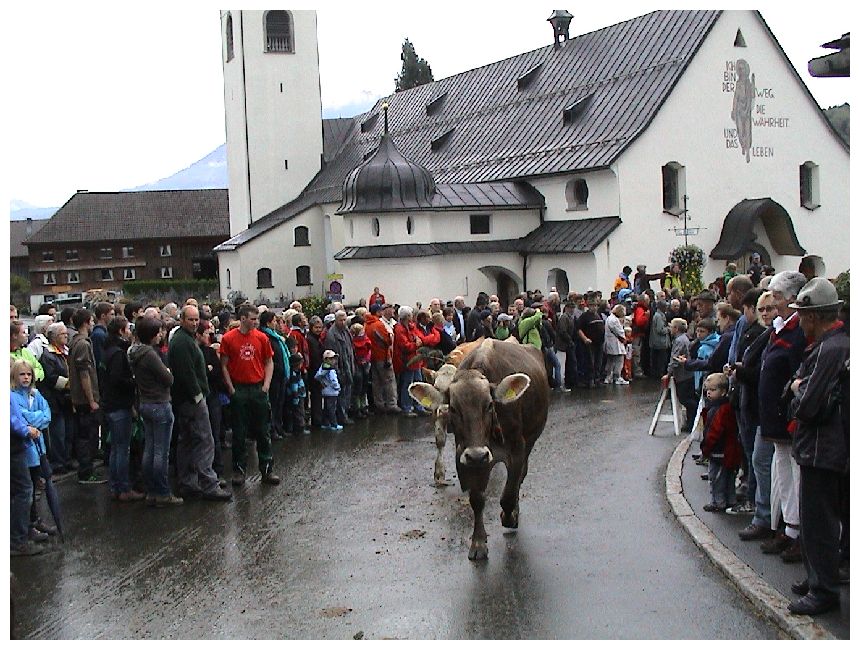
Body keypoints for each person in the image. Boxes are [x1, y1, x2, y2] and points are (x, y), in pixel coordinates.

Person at [785, 278, 849, 615]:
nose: (799, 321)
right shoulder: (838, 344)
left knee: (818, 523)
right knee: (826, 520)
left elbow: (808, 405)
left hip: (822, 449)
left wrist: (796, 389)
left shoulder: (828, 349)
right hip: (831, 448)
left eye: (802, 315)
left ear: (813, 316)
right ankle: (818, 579)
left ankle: (822, 589)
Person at [752, 271, 808, 561]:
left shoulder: (797, 332)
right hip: (773, 417)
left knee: (794, 475)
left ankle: (798, 532)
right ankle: (789, 527)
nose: (772, 303)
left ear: (791, 298)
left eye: (776, 296)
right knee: (782, 474)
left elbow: (798, 372)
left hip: (787, 417)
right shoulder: (780, 328)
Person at [168, 306, 232, 502]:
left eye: (196, 320)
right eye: (191, 319)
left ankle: (188, 482)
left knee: (187, 441)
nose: (195, 323)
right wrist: (197, 395)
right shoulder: (182, 342)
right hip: (191, 400)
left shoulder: (185, 339)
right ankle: (208, 484)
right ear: (181, 320)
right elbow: (186, 373)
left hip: (187, 399)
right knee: (204, 440)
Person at [220, 304, 279, 487]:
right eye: (253, 319)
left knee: (263, 430)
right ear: (243, 318)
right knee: (239, 432)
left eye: (256, 319)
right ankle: (239, 470)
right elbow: (224, 365)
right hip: (239, 388)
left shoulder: (262, 338)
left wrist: (266, 385)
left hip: (258, 387)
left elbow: (269, 361)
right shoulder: (228, 338)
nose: (255, 322)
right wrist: (231, 388)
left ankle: (267, 469)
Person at [128, 317, 182, 507]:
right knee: (161, 452)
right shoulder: (150, 354)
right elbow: (168, 379)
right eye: (158, 332)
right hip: (159, 403)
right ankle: (162, 492)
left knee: (150, 449)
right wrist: (167, 370)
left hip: (145, 403)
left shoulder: (135, 352)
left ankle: (151, 490)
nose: (161, 335)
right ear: (151, 334)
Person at [10, 359, 56, 542]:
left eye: (29, 374)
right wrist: (35, 419)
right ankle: (27, 527)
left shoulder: (36, 394)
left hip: (38, 447)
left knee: (35, 486)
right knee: (25, 490)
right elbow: (21, 419)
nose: (26, 377)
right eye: (22, 374)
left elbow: (47, 415)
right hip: (24, 448)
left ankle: (35, 521)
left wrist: (33, 419)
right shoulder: (12, 396)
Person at [101, 317, 144, 502]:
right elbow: (117, 379)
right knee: (122, 449)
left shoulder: (107, 350)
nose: (129, 332)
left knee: (116, 449)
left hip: (110, 404)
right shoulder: (118, 354)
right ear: (120, 331)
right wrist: (134, 381)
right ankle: (124, 488)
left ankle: (115, 486)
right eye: (127, 329)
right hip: (119, 405)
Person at [67, 309, 106, 484]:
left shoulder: (76, 342)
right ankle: (86, 472)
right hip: (85, 400)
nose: (92, 324)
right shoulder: (83, 344)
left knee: (85, 435)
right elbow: (84, 374)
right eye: (90, 321)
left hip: (79, 398)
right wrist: (91, 400)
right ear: (85, 323)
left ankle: (86, 469)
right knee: (87, 437)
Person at [700, 372, 742, 512]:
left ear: (723, 391)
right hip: (729, 451)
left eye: (713, 390)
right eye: (708, 390)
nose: (709, 393)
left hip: (719, 451)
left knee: (716, 478)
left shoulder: (718, 410)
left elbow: (713, 432)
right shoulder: (727, 407)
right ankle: (730, 500)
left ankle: (718, 502)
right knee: (728, 477)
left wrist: (706, 449)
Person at [10, 393, 46, 556]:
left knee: (17, 492)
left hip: (15, 444)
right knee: (23, 491)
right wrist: (26, 429)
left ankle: (23, 531)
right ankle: (17, 540)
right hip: (12, 446)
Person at [40, 323, 74, 474]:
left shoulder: (66, 351)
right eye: (62, 334)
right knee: (58, 433)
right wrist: (71, 384)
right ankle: (58, 462)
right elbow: (52, 378)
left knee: (69, 432)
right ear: (53, 337)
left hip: (68, 400)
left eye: (66, 333)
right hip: (56, 400)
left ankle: (67, 458)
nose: (66, 336)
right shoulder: (48, 355)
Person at [196, 320, 228, 478]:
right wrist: (207, 369)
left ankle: (217, 469)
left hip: (213, 395)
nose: (209, 336)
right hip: (202, 396)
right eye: (206, 333)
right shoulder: (197, 352)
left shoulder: (209, 351)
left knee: (214, 433)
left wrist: (210, 370)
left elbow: (217, 372)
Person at [259, 310, 289, 440]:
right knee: (273, 403)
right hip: (273, 376)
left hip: (280, 375)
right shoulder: (265, 337)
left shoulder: (274, 336)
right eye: (274, 321)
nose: (276, 323)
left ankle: (278, 426)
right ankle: (272, 429)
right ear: (268, 322)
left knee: (279, 403)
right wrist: (277, 368)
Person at [365, 304, 399, 414]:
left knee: (376, 382)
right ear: (378, 312)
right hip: (383, 357)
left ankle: (379, 404)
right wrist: (390, 337)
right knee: (389, 381)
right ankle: (391, 404)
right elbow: (388, 340)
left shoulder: (367, 324)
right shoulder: (378, 325)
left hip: (372, 357)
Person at [325, 310, 357, 425]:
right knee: (341, 395)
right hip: (341, 369)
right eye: (340, 320)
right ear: (336, 320)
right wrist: (337, 371)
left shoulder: (346, 331)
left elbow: (351, 348)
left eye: (344, 320)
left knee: (347, 393)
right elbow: (332, 356)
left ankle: (345, 414)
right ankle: (341, 417)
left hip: (349, 366)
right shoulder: (332, 335)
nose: (343, 322)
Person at [663, 318, 696, 432]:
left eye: (671, 327)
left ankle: (693, 420)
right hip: (687, 373)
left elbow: (675, 358)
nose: (670, 329)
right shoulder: (684, 338)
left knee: (685, 398)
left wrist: (668, 373)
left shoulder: (679, 341)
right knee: (687, 398)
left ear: (676, 328)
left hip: (683, 374)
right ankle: (690, 422)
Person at [315, 350, 343, 431]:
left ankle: (325, 423)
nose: (333, 361)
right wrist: (338, 387)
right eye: (331, 359)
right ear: (326, 359)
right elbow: (334, 380)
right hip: (332, 392)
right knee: (332, 409)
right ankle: (334, 424)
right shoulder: (331, 370)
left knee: (326, 408)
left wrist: (322, 382)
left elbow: (317, 376)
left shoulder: (322, 368)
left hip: (325, 391)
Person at [603, 304, 628, 385]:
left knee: (610, 361)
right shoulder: (614, 320)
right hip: (615, 343)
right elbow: (620, 331)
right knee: (619, 360)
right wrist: (624, 338)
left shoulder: (609, 318)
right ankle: (617, 377)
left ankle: (608, 377)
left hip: (610, 342)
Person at [285, 352, 309, 434]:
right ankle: (300, 428)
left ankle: (298, 427)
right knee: (299, 413)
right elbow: (294, 387)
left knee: (299, 412)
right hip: (298, 396)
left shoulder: (297, 373)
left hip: (300, 395)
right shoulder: (294, 374)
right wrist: (295, 397)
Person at [350, 323, 371, 418]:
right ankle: (359, 408)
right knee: (359, 387)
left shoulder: (361, 340)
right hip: (360, 365)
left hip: (361, 364)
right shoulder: (360, 341)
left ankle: (361, 407)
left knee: (362, 387)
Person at [649, 300, 670, 379]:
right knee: (661, 361)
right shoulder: (659, 316)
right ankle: (659, 376)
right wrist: (669, 329)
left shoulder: (658, 315)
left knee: (657, 360)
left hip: (657, 342)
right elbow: (660, 330)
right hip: (660, 343)